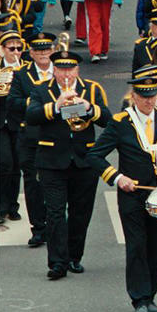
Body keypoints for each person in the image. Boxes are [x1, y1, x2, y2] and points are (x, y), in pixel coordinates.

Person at [86, 72, 157, 312]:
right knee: (136, 245)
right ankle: (139, 299)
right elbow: (94, 156)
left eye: (153, 95)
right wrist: (117, 177)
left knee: (156, 247)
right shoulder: (121, 122)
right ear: (133, 96)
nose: (149, 101)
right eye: (143, 96)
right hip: (132, 194)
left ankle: (151, 295)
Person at [25, 50, 111, 279]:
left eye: (70, 69)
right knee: (54, 213)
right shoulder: (42, 90)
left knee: (80, 212)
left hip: (84, 160)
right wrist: (56, 105)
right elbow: (31, 115)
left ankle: (74, 256)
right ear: (54, 70)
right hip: (52, 161)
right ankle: (57, 262)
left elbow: (108, 119)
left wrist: (89, 107)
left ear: (77, 70)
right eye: (61, 69)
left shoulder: (91, 89)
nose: (66, 74)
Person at [5, 31, 52, 246]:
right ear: (31, 53)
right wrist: (37, 104)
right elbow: (12, 103)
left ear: (53, 51)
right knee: (32, 184)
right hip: (31, 137)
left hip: (57, 136)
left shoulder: (63, 71)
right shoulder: (21, 74)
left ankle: (56, 224)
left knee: (56, 184)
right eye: (39, 50)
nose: (43, 53)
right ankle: (39, 228)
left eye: (47, 49)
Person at [0, 31, 25, 225]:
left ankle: (12, 206)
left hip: (19, 123)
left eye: (19, 48)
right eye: (11, 48)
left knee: (16, 166)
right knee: (3, 162)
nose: (15, 52)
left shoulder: (26, 71)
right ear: (2, 50)